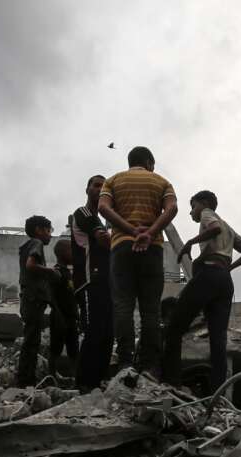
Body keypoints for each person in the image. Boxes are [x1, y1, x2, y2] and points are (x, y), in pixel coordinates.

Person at [163, 190, 241, 392]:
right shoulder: (229, 228)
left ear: (204, 203)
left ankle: (170, 383)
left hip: (208, 276)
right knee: (218, 341)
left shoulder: (207, 214)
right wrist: (229, 268)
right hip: (225, 281)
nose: (192, 212)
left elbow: (213, 229)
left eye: (193, 206)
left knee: (174, 328)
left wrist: (190, 242)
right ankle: (218, 393)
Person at [98, 146, 177, 374]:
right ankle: (150, 365)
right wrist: (148, 233)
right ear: (150, 163)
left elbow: (103, 207)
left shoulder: (113, 181)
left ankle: (125, 363)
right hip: (152, 248)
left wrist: (131, 232)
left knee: (123, 306)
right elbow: (172, 209)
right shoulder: (162, 182)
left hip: (122, 246)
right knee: (150, 310)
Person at [70, 175, 114, 390]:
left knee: (107, 332)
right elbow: (104, 240)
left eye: (104, 186)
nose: (100, 189)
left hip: (105, 282)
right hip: (89, 281)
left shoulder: (105, 220)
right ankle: (85, 384)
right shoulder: (84, 213)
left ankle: (98, 382)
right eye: (96, 185)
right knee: (94, 331)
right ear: (87, 189)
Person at [16, 214, 57, 387]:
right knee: (32, 341)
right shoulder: (36, 243)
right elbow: (31, 266)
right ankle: (26, 381)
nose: (50, 234)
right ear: (38, 230)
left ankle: (25, 379)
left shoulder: (25, 246)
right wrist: (50, 272)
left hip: (29, 298)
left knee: (31, 339)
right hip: (33, 299)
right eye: (48, 230)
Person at [49, 239, 79, 377]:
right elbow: (52, 297)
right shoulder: (57, 272)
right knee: (56, 348)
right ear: (63, 253)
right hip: (60, 318)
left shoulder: (68, 273)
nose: (74, 254)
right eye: (71, 250)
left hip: (71, 318)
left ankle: (76, 377)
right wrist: (58, 315)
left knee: (73, 348)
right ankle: (50, 376)